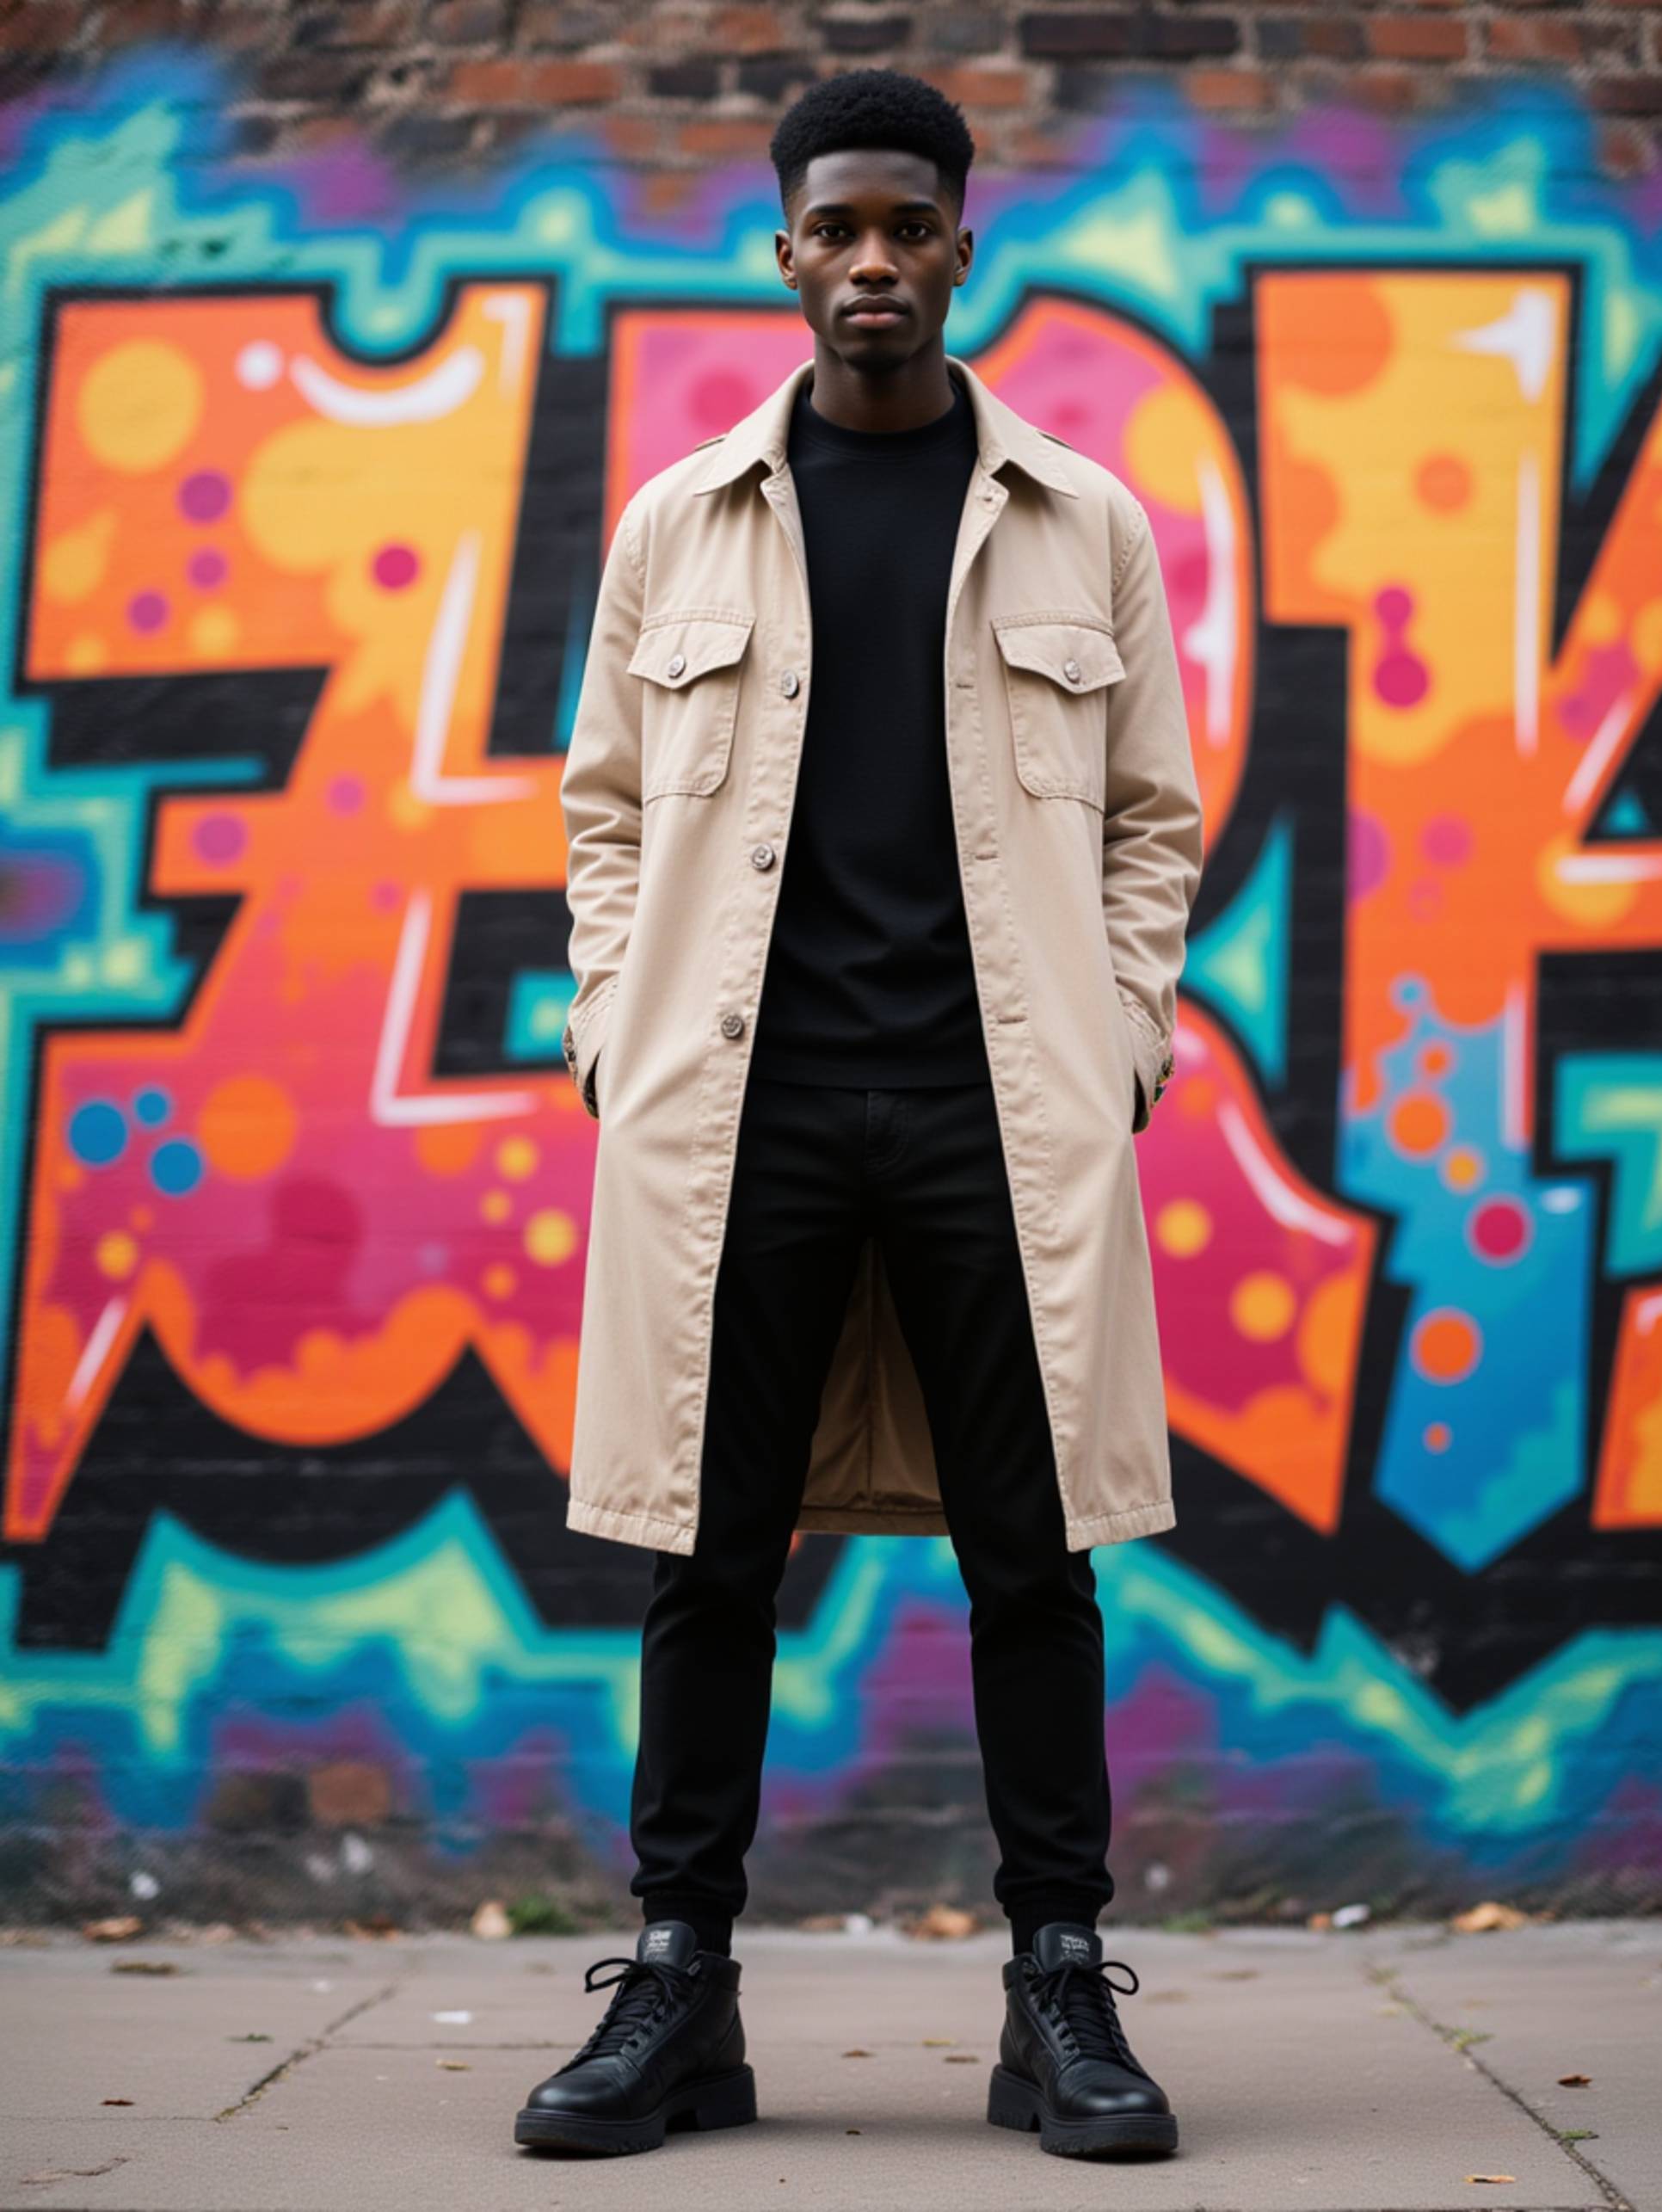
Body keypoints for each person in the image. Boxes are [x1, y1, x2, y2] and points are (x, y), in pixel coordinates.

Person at [516, 65, 1203, 2162]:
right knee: (707, 1556)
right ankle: (678, 1983)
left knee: (1035, 1553)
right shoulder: (684, 522)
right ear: (786, 249)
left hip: (1006, 1111)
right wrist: (621, 1034)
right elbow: (606, 812)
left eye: (911, 228)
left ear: (962, 250)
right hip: (747, 1113)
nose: (875, 263)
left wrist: (1127, 1037)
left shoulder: (1081, 518)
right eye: (839, 229)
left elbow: (1153, 826)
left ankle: (1059, 1986)